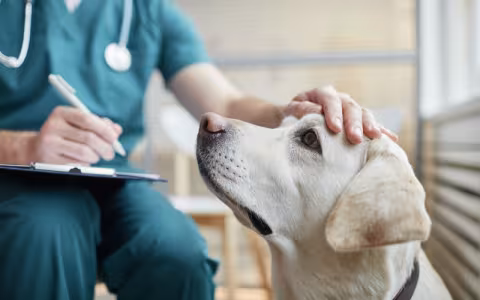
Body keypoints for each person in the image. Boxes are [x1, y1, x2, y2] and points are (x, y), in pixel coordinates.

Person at [0, 0, 397, 299]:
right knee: (44, 232)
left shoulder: (146, 11)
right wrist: (23, 146)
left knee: (178, 252)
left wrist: (285, 111)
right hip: (14, 180)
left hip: (112, 178)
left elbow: (223, 103)